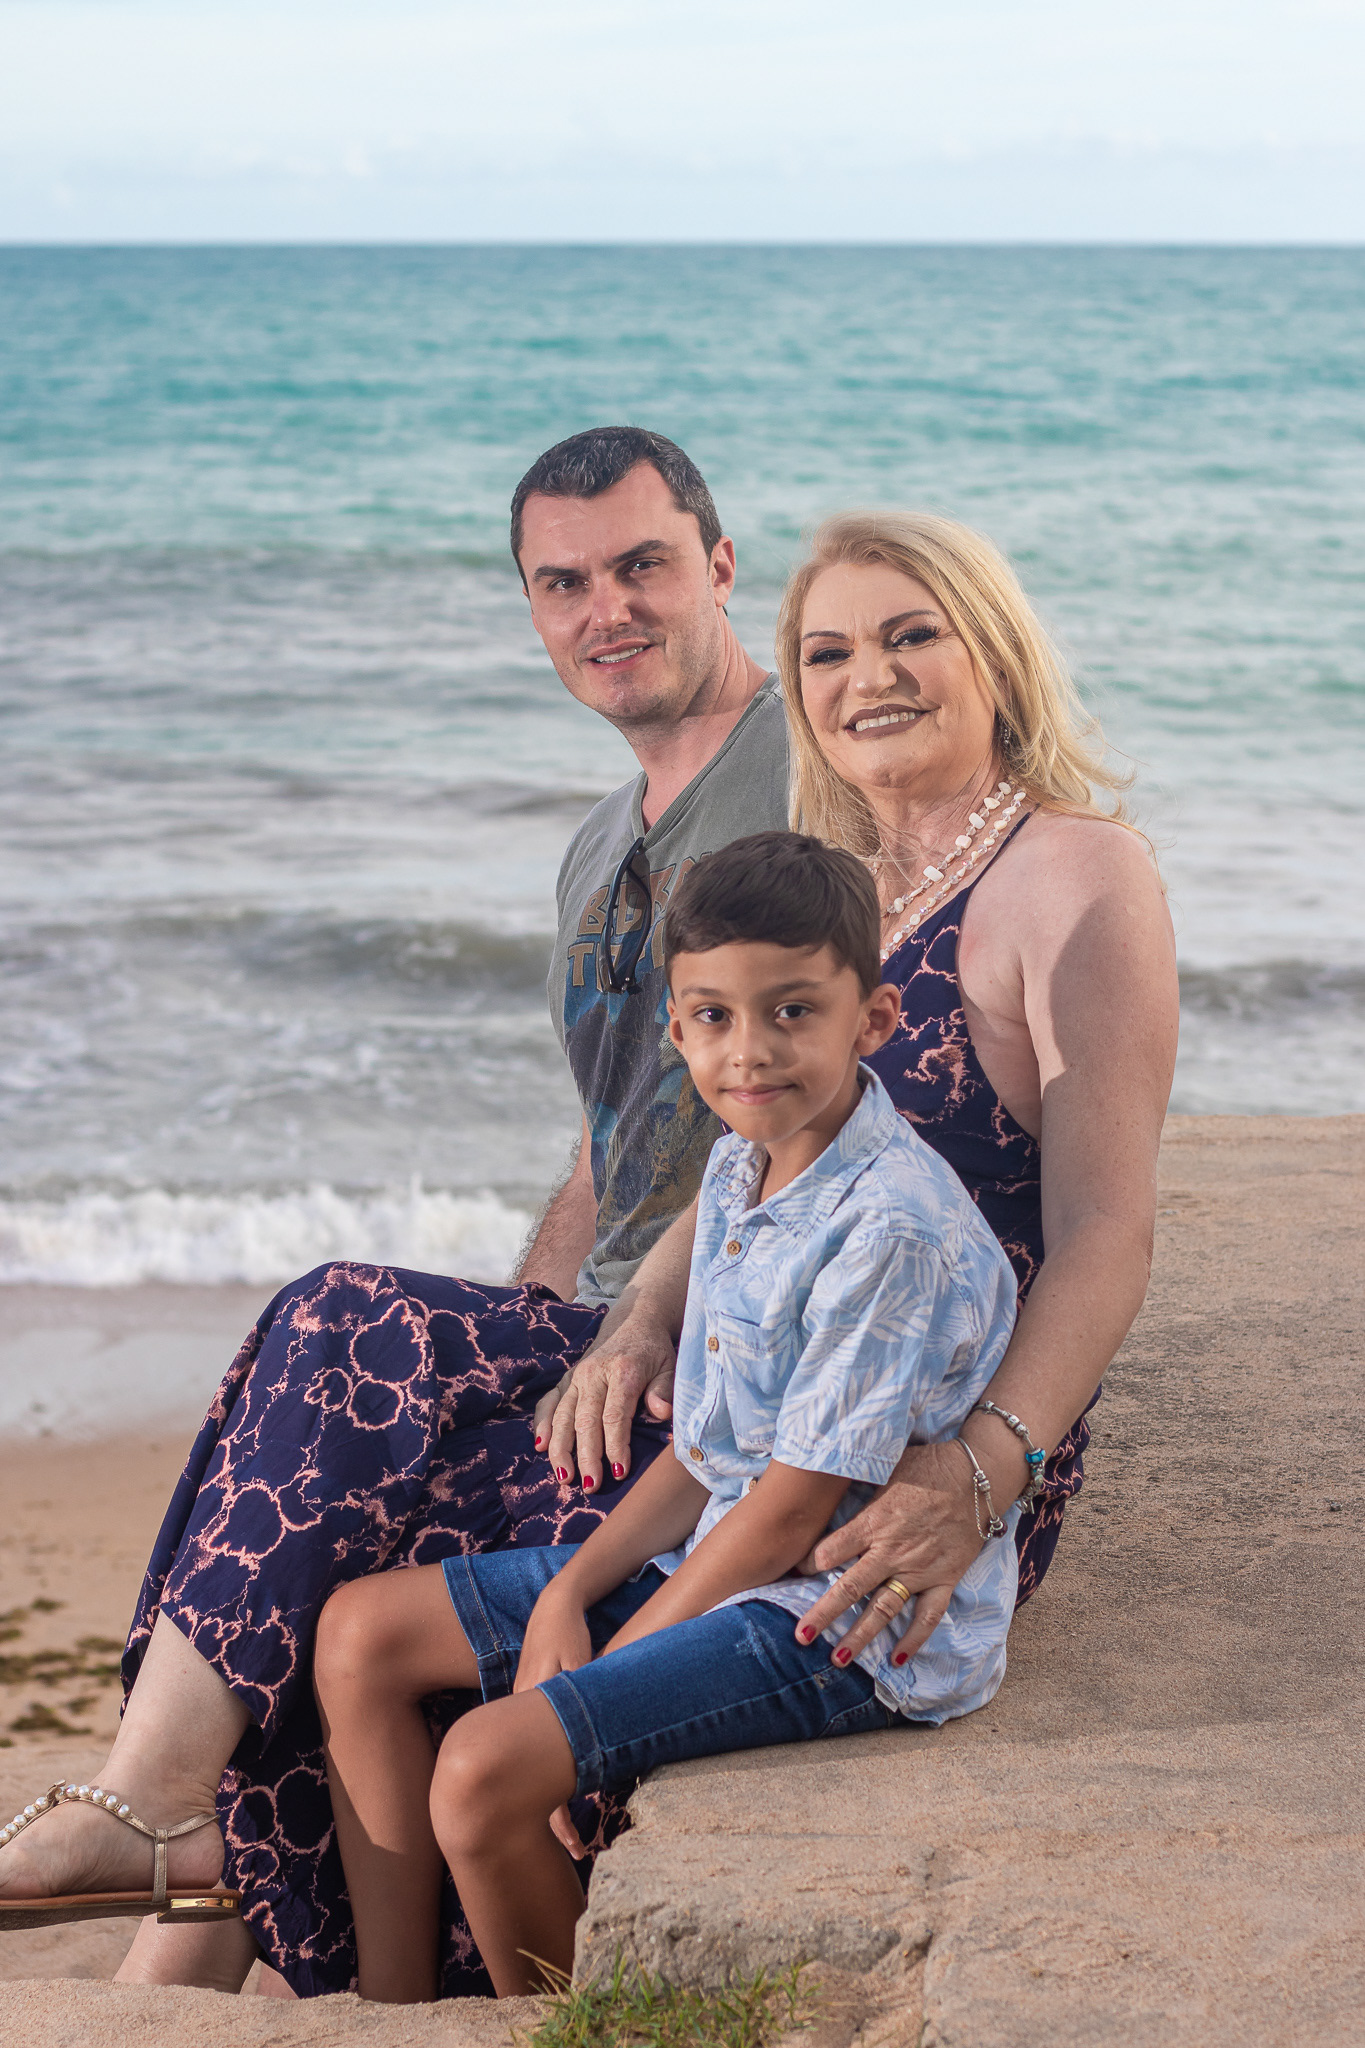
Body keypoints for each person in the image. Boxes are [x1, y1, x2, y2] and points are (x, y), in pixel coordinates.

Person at [0, 427, 790, 1997]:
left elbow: (803, 1106)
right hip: (600, 1339)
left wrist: (641, 1321)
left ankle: (156, 1815)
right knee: (333, 1494)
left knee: (338, 1315)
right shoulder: (597, 847)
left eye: (642, 565)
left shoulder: (799, 770)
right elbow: (609, 1142)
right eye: (562, 584)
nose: (606, 610)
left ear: (717, 564)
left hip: (728, 1337)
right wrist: (526, 1337)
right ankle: (174, 1975)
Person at [310, 832, 1021, 2001]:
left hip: (846, 1616)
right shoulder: (742, 1164)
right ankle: (392, 2010)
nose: (752, 1051)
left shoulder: (887, 1225)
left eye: (793, 1011)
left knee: (485, 1767)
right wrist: (569, 1592)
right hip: (729, 1546)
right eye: (714, 1016)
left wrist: (600, 1677)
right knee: (359, 1631)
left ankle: (552, 2021)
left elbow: (792, 1510)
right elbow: (707, 1447)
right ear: (678, 1030)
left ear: (874, 1018)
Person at [542, 509, 1178, 1684]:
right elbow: (754, 1169)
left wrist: (979, 1473)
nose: (869, 677)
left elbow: (1105, 1231)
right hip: (749, 1391)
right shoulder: (830, 888)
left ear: (995, 654)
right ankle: (203, 1776)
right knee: (336, 1334)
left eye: (911, 636)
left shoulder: (1079, 874)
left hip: (897, 1449)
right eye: (827, 653)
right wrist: (640, 1318)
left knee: (400, 1502)